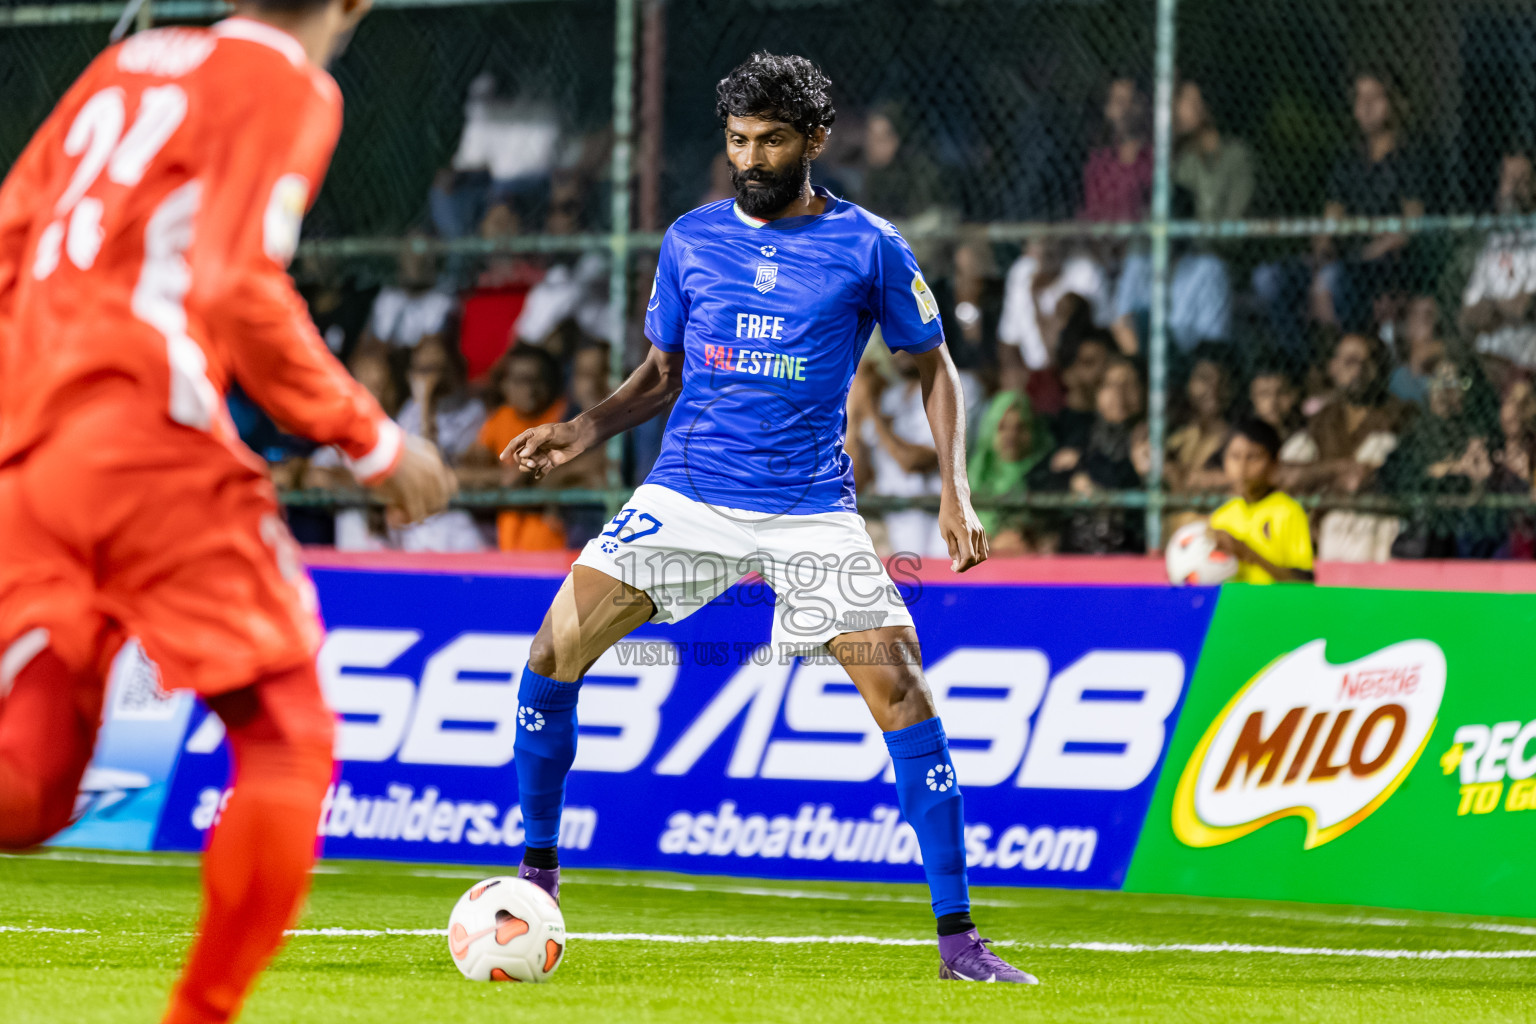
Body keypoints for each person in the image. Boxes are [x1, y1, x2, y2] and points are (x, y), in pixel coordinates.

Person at [499, 52, 1035, 984]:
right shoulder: (690, 239)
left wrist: (955, 488)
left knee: (901, 689)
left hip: (809, 512)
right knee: (553, 654)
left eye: (772, 140)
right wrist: (583, 430)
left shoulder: (869, 244)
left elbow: (933, 366)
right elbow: (663, 376)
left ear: (815, 141)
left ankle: (960, 944)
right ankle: (535, 881)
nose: (751, 157)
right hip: (685, 495)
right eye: (740, 140)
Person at [0, 5, 457, 1024]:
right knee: (287, 736)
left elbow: (9, 242)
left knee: (27, 791)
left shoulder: (126, 62)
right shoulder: (284, 81)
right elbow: (233, 282)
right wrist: (374, 441)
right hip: (149, 440)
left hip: (28, 452)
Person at [461, 345, 579, 552]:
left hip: (556, 546)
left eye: (536, 380)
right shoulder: (499, 419)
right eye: (520, 380)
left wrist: (514, 476)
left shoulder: (565, 416)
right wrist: (503, 477)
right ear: (504, 385)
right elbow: (462, 473)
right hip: (509, 546)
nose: (529, 389)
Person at [1209, 418, 1316, 583]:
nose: (1242, 468)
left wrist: (1249, 554)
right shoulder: (1221, 517)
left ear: (1274, 462)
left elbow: (1303, 581)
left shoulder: (1288, 512)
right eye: (1235, 457)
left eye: (1253, 457)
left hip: (1273, 606)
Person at [1460, 147, 1536, 371]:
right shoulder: (1493, 239)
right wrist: (1504, 310)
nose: (1512, 190)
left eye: (1521, 181)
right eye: (1508, 180)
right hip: (1489, 362)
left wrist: (1491, 310)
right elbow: (1467, 316)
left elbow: (1525, 307)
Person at [967, 391, 1054, 554]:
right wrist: (993, 547)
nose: (1011, 436)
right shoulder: (973, 476)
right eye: (1002, 427)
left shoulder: (1047, 475)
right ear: (990, 430)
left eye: (1020, 427)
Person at [1172, 79, 1255, 222]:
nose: (1179, 108)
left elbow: (1235, 216)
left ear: (1205, 107)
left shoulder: (1236, 155)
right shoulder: (1185, 159)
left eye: (1188, 100)